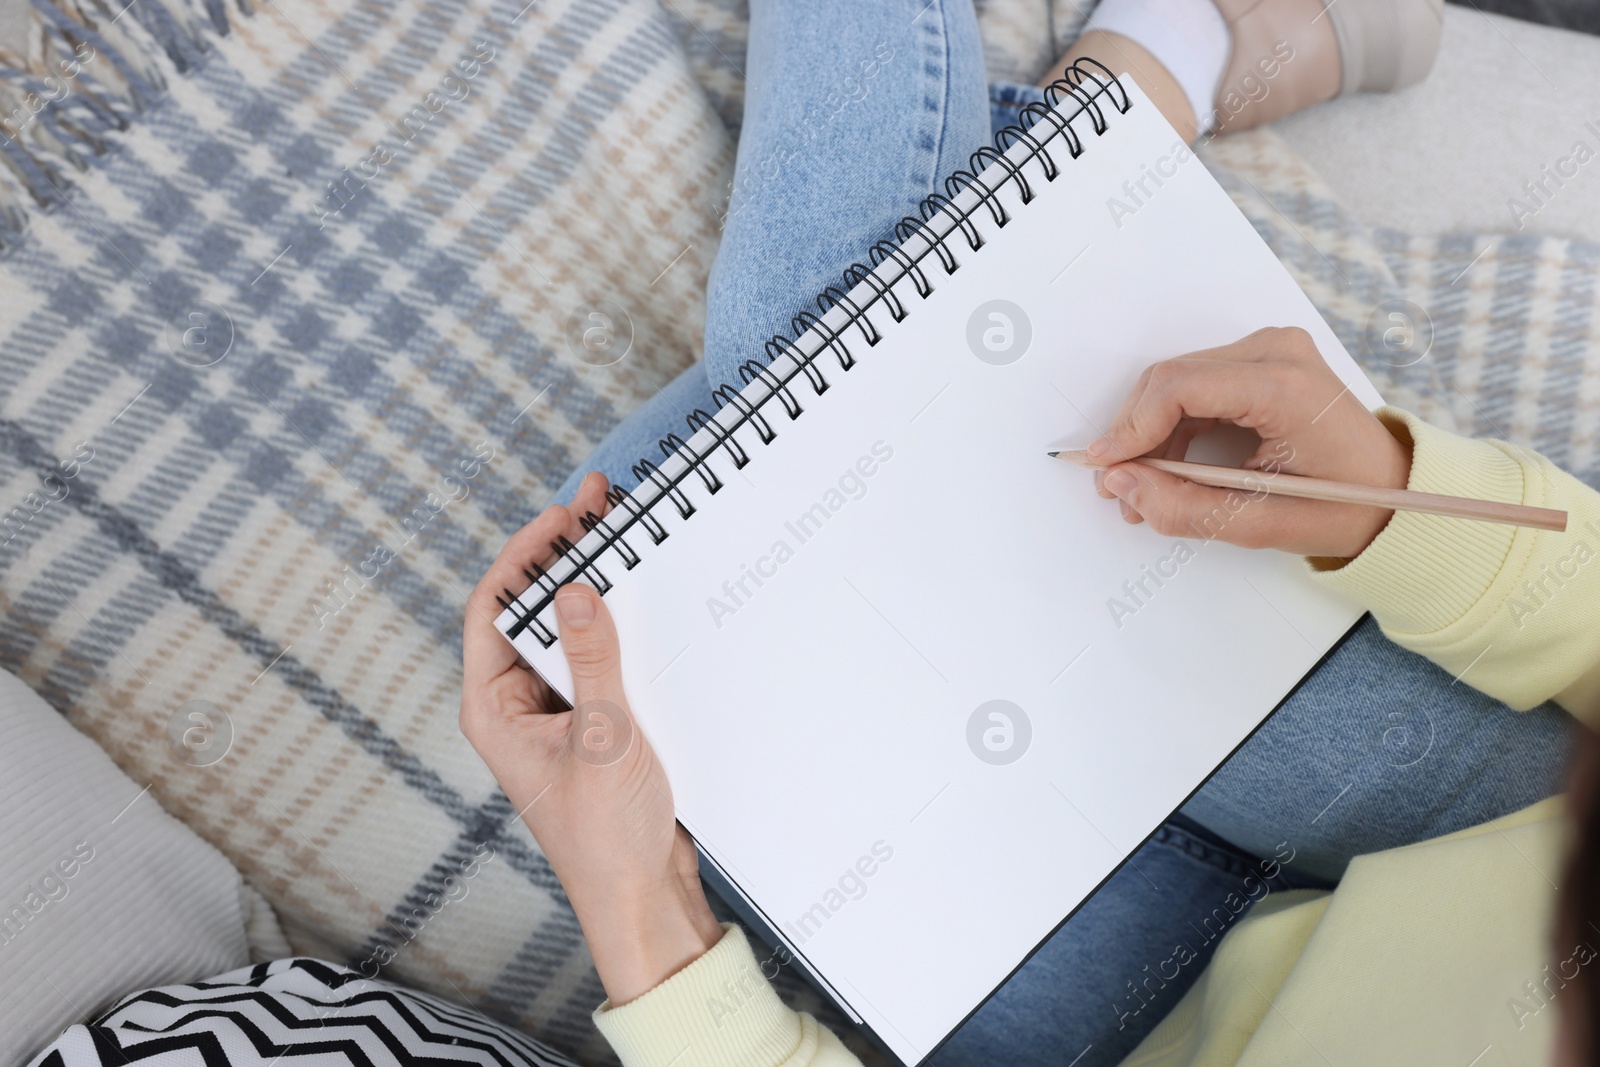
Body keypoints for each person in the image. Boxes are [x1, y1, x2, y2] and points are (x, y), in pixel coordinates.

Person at [462, 0, 1598, 1063]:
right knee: (751, 462)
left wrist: (640, 913)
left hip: (1113, 1029)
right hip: (1497, 817)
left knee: (636, 562)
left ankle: (1144, 79)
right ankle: (1139, 92)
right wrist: (1395, 495)